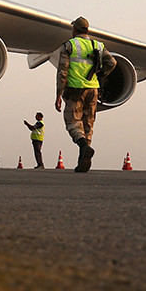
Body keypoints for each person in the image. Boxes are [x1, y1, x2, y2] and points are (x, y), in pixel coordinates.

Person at [55, 16, 116, 173]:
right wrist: (100, 74)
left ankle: (83, 146)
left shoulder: (70, 45)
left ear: (74, 29)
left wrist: (58, 95)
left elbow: (63, 71)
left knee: (73, 121)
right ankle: (82, 159)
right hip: (93, 88)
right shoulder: (98, 45)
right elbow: (112, 63)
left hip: (75, 89)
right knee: (88, 124)